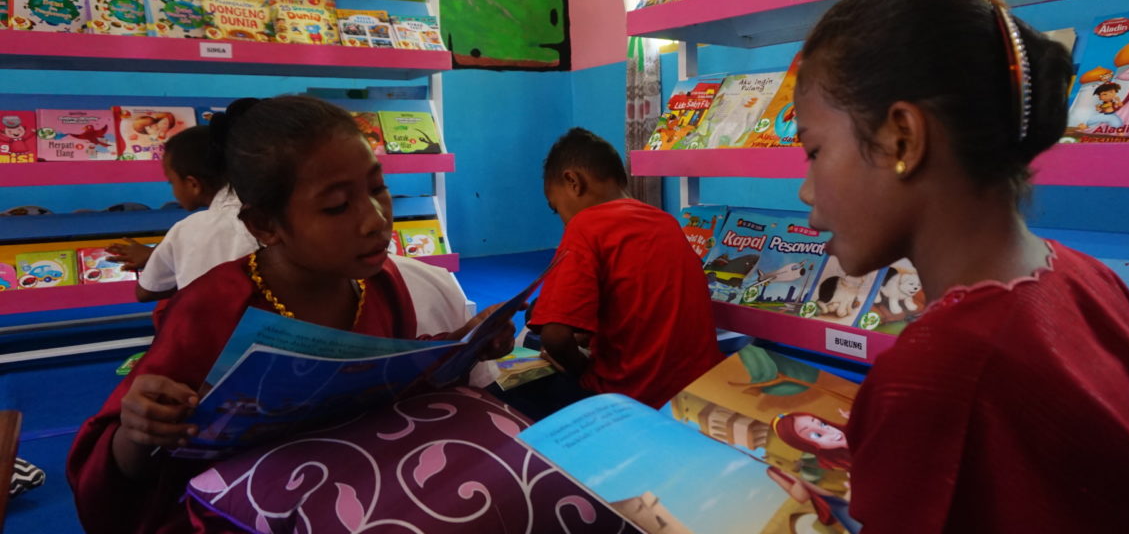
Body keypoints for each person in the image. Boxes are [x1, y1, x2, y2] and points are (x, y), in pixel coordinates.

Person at [793, 0, 1129, 532]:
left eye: (814, 151)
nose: (805, 191)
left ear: (902, 137)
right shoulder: (1088, 279)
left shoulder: (932, 377)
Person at [67, 96, 513, 534]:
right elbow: (120, 472)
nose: (376, 220)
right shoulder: (213, 306)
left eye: (378, 188)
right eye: (337, 206)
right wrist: (137, 431)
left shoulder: (382, 283)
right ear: (264, 225)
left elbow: (392, 381)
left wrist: (464, 344)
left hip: (364, 491)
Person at [522, 128, 723, 413]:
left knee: (529, 351)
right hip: (693, 393)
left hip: (629, 400)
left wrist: (582, 372)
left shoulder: (586, 226)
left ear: (573, 182)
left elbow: (555, 337)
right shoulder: (667, 223)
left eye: (557, 209)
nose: (563, 221)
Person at [108, 125, 258, 303]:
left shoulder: (189, 229)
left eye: (171, 182)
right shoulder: (267, 209)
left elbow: (146, 292)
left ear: (193, 184)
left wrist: (159, 256)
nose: (173, 190)